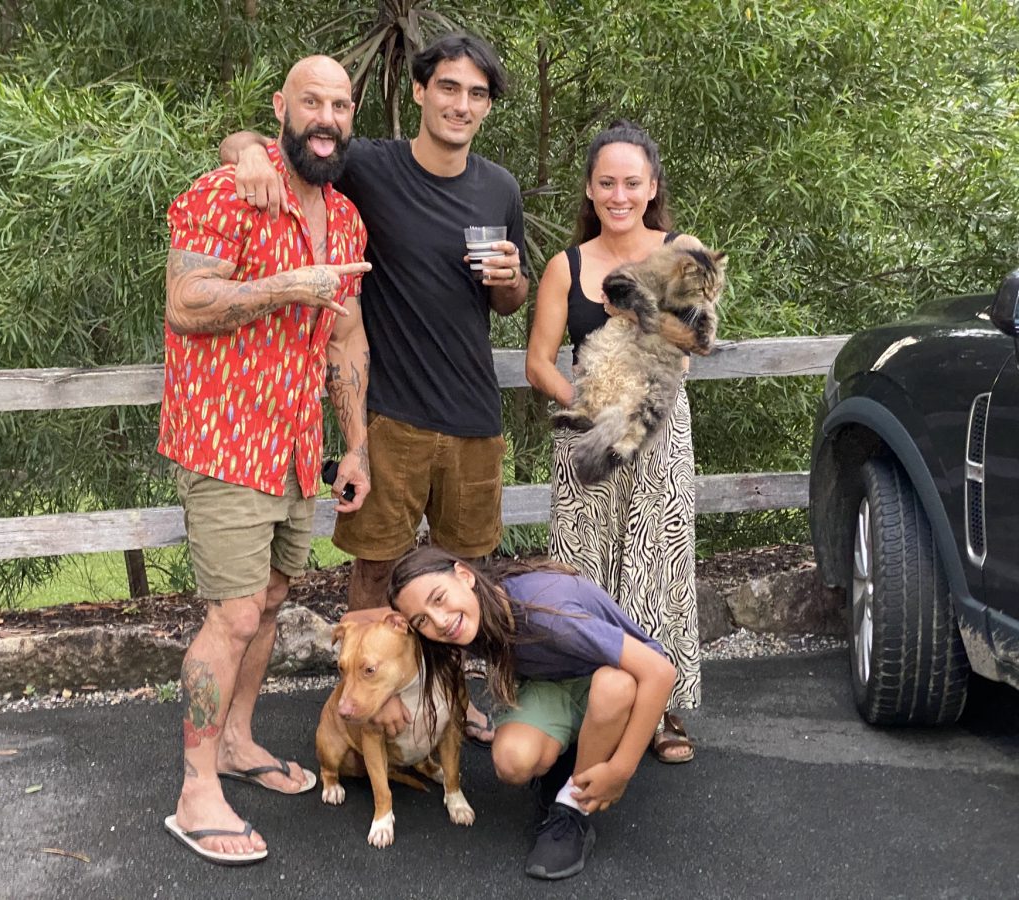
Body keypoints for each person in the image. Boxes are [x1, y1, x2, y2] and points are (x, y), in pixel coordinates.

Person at [221, 32, 530, 746]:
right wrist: (244, 156)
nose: (461, 104)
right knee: (375, 569)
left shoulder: (499, 187)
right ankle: (361, 703)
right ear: (420, 92)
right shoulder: (373, 166)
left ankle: (448, 698)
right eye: (448, 88)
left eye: (476, 94)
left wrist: (511, 278)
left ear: (486, 108)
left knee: (467, 573)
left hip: (474, 414)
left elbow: (511, 301)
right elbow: (278, 141)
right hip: (392, 414)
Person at [158, 56, 373, 866]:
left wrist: (354, 445)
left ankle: (238, 742)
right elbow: (186, 303)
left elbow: (345, 336)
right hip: (223, 437)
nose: (326, 117)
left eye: (341, 105)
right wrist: (286, 284)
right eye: (311, 101)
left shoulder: (346, 217)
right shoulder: (228, 192)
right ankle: (194, 790)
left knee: (275, 601)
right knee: (235, 614)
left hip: (293, 447)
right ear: (282, 108)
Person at [525, 119, 704, 764]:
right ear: (592, 189)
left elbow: (694, 342)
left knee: (657, 563)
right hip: (587, 430)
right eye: (607, 182)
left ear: (652, 186)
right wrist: (588, 405)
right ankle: (582, 698)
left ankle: (661, 710)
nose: (620, 194)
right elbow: (539, 362)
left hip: (659, 426)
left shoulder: (683, 250)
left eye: (632, 182)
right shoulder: (564, 266)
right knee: (581, 562)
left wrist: (642, 315)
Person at [387, 546, 676, 881]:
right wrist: (388, 698)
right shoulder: (469, 609)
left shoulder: (546, 612)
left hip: (621, 682)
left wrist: (620, 770)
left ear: (464, 575)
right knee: (513, 760)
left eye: (438, 599)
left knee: (614, 687)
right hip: (554, 680)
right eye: (421, 620)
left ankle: (572, 808)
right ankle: (569, 761)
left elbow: (660, 672)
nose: (439, 621)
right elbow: (374, 621)